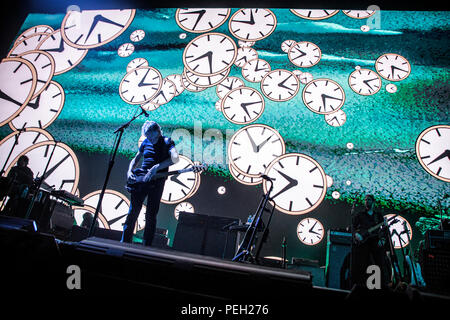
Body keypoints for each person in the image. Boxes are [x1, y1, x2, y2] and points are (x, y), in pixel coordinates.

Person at [121, 121, 179, 246]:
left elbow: (175, 158)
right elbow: (136, 158)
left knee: (151, 215)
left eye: (152, 136)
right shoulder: (145, 142)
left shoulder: (167, 142)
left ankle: (146, 246)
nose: (150, 139)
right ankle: (124, 241)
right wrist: (129, 171)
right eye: (148, 137)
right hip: (140, 180)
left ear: (158, 132)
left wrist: (157, 167)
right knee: (132, 212)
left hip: (157, 182)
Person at [350, 194, 390, 288]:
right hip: (363, 243)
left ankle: (378, 285)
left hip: (375, 241)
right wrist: (356, 235)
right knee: (362, 264)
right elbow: (353, 226)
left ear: (373, 201)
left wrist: (383, 239)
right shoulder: (360, 215)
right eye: (365, 200)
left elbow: (384, 229)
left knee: (378, 263)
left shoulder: (378, 215)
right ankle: (361, 285)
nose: (366, 201)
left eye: (369, 200)